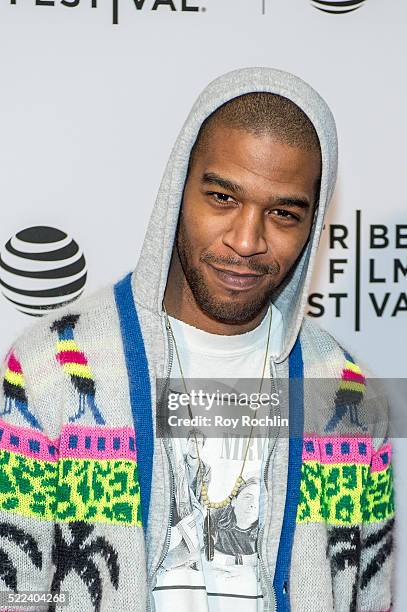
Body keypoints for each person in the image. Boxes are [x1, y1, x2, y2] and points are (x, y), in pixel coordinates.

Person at [0, 68, 394, 612]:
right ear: (177, 190)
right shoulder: (58, 368)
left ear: (312, 225)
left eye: (283, 213)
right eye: (222, 197)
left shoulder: (346, 399)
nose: (246, 240)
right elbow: (13, 590)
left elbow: (366, 597)